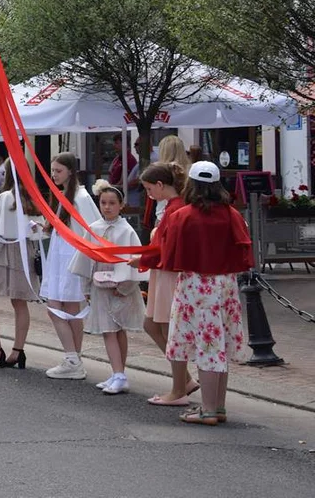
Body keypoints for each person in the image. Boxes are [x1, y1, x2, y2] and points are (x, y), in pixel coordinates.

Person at [159, 161, 252, 426]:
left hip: (195, 284)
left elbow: (169, 254)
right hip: (225, 284)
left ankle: (208, 409)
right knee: (218, 344)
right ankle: (218, 406)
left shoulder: (183, 215)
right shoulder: (232, 214)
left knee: (206, 346)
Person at [132, 161, 199, 406]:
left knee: (170, 331)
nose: (149, 194)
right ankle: (184, 381)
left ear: (160, 185)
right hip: (162, 272)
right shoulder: (172, 207)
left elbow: (167, 248)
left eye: (150, 189)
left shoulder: (175, 209)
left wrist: (142, 259)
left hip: (169, 273)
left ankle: (179, 388)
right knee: (153, 325)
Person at [75, 180, 145, 395]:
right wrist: (86, 287)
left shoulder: (126, 230)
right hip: (100, 286)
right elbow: (87, 259)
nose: (107, 207)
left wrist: (124, 286)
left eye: (112, 203)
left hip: (119, 287)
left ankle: (119, 373)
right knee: (109, 330)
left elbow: (133, 260)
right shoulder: (95, 228)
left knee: (116, 329)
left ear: (121, 205)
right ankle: (117, 373)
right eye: (103, 202)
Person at [0, 161, 45, 369]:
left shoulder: (2, 199)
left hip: (6, 253)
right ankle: (17, 350)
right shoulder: (32, 198)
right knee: (19, 303)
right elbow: (40, 231)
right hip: (26, 253)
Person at [41, 152, 102, 380]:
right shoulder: (66, 194)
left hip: (71, 257)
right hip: (62, 255)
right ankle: (74, 357)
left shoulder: (80, 196)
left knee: (57, 307)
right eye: (53, 170)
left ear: (70, 171)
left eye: (58, 170)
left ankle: (72, 358)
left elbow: (90, 229)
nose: (54, 174)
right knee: (68, 309)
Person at [108, 133, 142, 207]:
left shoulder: (128, 159)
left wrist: (113, 187)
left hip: (125, 196)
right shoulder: (117, 158)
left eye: (117, 143)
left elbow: (124, 180)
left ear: (124, 144)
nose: (114, 145)